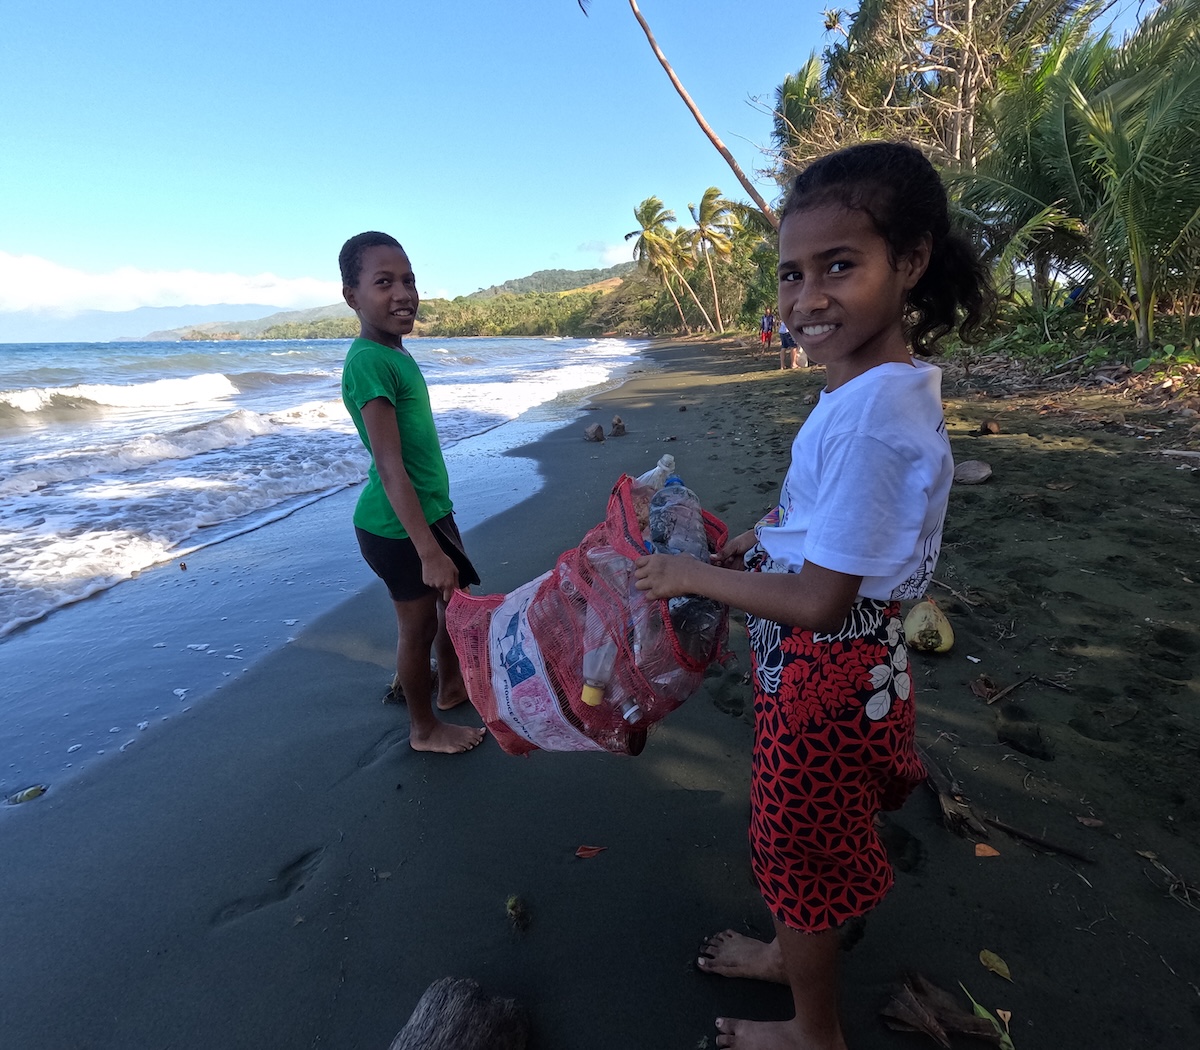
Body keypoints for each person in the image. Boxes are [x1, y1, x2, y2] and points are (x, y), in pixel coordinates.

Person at [634, 141, 991, 1049]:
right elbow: (837, 523)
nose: (807, 298)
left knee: (804, 862)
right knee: (804, 842)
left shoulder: (872, 416)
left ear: (908, 262)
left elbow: (826, 602)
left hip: (826, 675)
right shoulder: (874, 389)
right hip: (842, 677)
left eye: (841, 265)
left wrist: (689, 574)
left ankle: (812, 1030)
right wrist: (768, 535)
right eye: (793, 274)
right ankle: (785, 956)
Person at [339, 231, 486, 755]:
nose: (402, 293)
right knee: (418, 627)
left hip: (428, 514)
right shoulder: (368, 362)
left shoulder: (394, 353)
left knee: (456, 602)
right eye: (383, 283)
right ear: (352, 296)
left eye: (408, 280)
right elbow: (389, 464)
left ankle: (450, 688)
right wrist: (427, 551)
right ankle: (423, 729)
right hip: (397, 528)